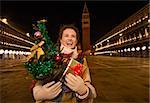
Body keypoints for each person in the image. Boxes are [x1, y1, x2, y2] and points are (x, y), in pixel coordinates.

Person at [32, 24, 97, 103]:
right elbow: (38, 80)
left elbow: (88, 86)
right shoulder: (49, 56)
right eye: (66, 35)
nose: (70, 38)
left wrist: (83, 90)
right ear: (61, 40)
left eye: (73, 36)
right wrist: (39, 93)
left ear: (76, 41)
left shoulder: (81, 60)